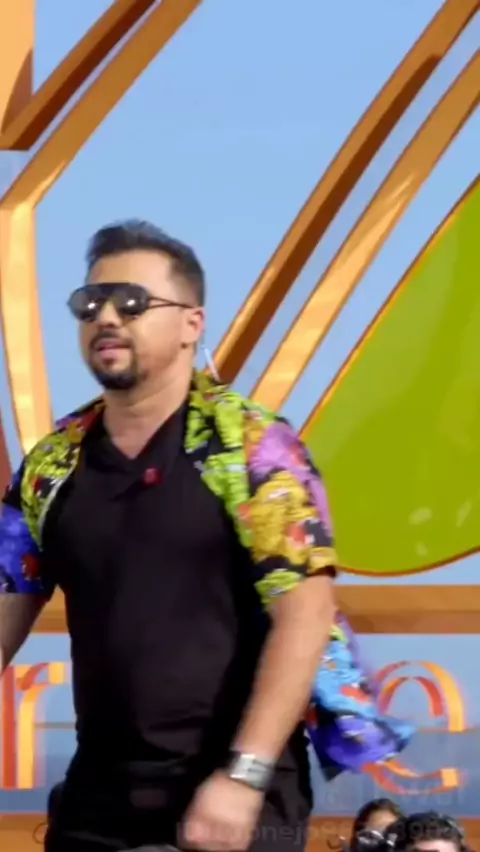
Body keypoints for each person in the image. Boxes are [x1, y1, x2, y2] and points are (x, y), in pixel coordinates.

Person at [0, 221, 408, 852]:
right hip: (99, 796)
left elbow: (305, 615)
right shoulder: (54, 464)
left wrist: (243, 776)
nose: (106, 316)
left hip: (236, 793)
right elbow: (9, 598)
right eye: (90, 302)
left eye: (131, 302)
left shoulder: (253, 450)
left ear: (192, 323)